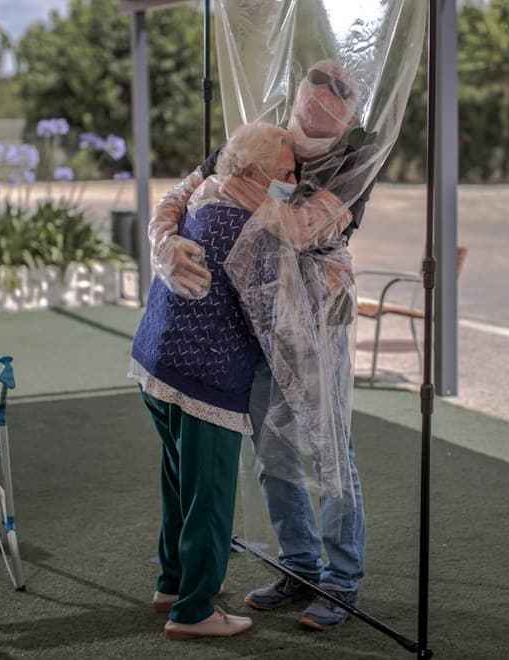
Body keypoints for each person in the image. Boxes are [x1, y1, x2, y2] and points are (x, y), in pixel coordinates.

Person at [147, 59, 372, 631]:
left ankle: (341, 580)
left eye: (338, 93)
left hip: (314, 326)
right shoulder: (263, 138)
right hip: (255, 329)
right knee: (273, 454)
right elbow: (181, 191)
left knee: (330, 454)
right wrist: (165, 239)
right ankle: (299, 568)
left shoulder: (357, 159)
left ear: (351, 113)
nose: (321, 98)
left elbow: (299, 228)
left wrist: (233, 186)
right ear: (299, 91)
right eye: (314, 86)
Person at [128, 122, 297, 641]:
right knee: (211, 493)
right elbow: (271, 316)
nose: (294, 182)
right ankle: (194, 610)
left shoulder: (206, 192)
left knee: (179, 482)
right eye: (286, 173)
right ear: (252, 173)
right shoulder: (248, 229)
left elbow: (171, 205)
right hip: (206, 378)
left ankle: (173, 583)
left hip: (158, 361)